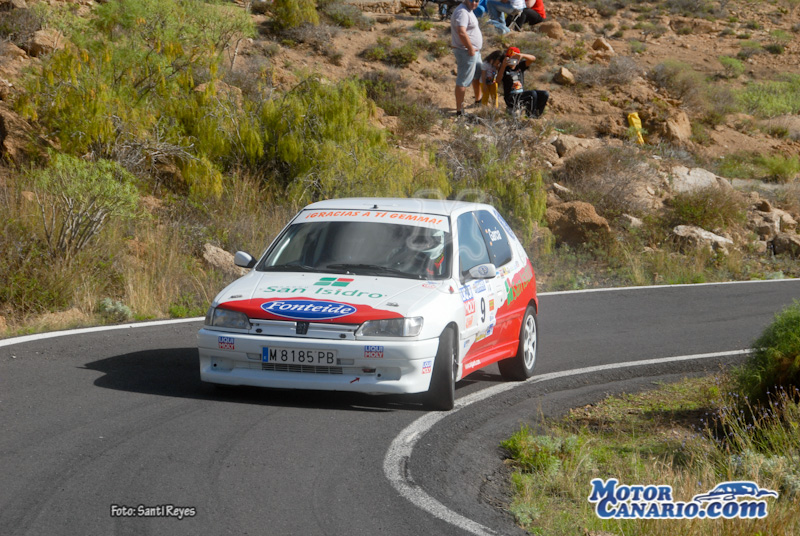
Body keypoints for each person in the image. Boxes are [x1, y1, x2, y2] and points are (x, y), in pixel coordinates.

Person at [451, 0, 484, 117]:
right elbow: (461, 32)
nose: (474, 3)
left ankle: (478, 100)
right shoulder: (462, 12)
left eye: (477, 1)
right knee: (463, 80)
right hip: (466, 52)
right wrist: (470, 48)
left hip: (474, 51)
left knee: (477, 75)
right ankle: (459, 111)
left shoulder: (469, 10)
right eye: (471, 0)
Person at [498, 46, 549, 117]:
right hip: (511, 97)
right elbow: (498, 80)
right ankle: (530, 116)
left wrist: (522, 55)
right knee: (532, 94)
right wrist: (503, 66)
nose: (512, 60)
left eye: (515, 58)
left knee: (544, 94)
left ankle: (536, 115)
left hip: (520, 94)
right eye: (510, 58)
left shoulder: (520, 66)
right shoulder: (504, 68)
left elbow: (533, 58)